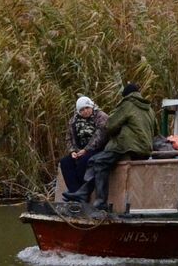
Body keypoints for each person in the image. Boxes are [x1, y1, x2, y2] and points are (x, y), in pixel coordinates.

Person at [65, 81, 157, 211]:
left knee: (99, 162)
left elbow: (109, 125)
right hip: (146, 148)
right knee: (93, 160)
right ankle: (83, 192)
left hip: (128, 147)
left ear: (126, 95)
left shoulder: (127, 104)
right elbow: (156, 131)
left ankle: (101, 201)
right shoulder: (149, 109)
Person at [60, 96, 108, 200]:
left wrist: (86, 149)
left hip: (97, 149)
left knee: (84, 161)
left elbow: (100, 136)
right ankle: (75, 192)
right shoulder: (73, 121)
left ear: (91, 106)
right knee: (65, 162)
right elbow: (69, 138)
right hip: (79, 150)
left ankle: (82, 193)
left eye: (87, 108)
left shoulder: (101, 116)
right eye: (82, 110)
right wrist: (72, 151)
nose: (85, 111)